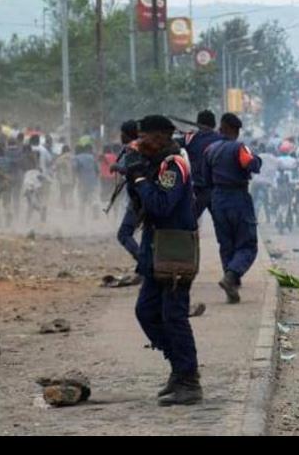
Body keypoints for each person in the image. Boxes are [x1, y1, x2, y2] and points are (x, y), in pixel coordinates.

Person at [125, 114, 201, 406]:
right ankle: (178, 367)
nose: (138, 143)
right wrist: (135, 174)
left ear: (158, 137)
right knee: (146, 312)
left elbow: (161, 205)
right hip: (155, 248)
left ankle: (189, 381)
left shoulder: (173, 165)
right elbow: (142, 204)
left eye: (143, 137)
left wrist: (141, 178)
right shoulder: (157, 162)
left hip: (174, 249)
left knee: (174, 317)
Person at [201, 113, 262, 304]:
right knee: (247, 245)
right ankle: (231, 276)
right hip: (238, 197)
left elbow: (205, 178)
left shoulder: (210, 150)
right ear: (233, 130)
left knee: (226, 244)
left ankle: (231, 287)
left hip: (218, 199)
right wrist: (256, 157)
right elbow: (252, 165)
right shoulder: (239, 148)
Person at [178, 110, 224, 220]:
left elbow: (172, 144)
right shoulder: (220, 138)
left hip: (198, 188)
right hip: (216, 187)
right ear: (213, 124)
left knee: (190, 221)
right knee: (221, 223)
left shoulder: (190, 138)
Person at [112, 120, 141, 263]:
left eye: (121, 133)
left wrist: (116, 167)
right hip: (144, 197)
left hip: (138, 199)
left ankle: (144, 262)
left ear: (126, 134)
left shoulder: (132, 149)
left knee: (123, 234)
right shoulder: (144, 147)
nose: (120, 136)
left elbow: (130, 170)